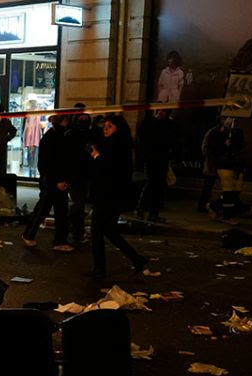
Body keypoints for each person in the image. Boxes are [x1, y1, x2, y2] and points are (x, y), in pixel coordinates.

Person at [86, 114, 147, 278]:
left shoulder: (118, 146)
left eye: (110, 126)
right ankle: (136, 258)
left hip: (109, 195)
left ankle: (100, 267)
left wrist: (97, 157)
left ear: (118, 129)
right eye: (105, 125)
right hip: (111, 194)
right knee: (109, 230)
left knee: (98, 230)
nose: (105, 129)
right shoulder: (113, 143)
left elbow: (110, 169)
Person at [21, 114, 73, 251]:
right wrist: (57, 180)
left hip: (55, 179)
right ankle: (30, 234)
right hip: (52, 180)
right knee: (45, 209)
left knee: (58, 210)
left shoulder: (58, 136)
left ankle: (58, 240)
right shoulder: (54, 138)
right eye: (67, 120)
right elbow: (48, 163)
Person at [202, 118, 247, 221]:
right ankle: (228, 215)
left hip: (236, 164)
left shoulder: (237, 132)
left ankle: (215, 206)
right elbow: (210, 148)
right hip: (223, 163)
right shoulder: (216, 132)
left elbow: (241, 147)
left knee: (236, 190)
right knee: (228, 189)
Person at [136, 108, 175, 222]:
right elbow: (142, 136)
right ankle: (141, 209)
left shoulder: (169, 125)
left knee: (159, 186)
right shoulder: (149, 123)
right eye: (158, 111)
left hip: (162, 159)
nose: (160, 113)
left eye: (163, 111)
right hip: (151, 159)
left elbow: (173, 139)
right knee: (151, 183)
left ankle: (153, 212)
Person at [65, 103, 93, 244]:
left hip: (86, 173)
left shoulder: (89, 132)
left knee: (80, 203)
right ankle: (76, 232)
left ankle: (76, 230)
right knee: (78, 203)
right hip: (75, 174)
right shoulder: (71, 133)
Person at [21, 100, 43, 178]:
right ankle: (32, 170)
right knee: (33, 154)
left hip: (34, 137)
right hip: (33, 137)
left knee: (33, 154)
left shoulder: (36, 115)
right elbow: (27, 127)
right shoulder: (30, 115)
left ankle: (32, 170)